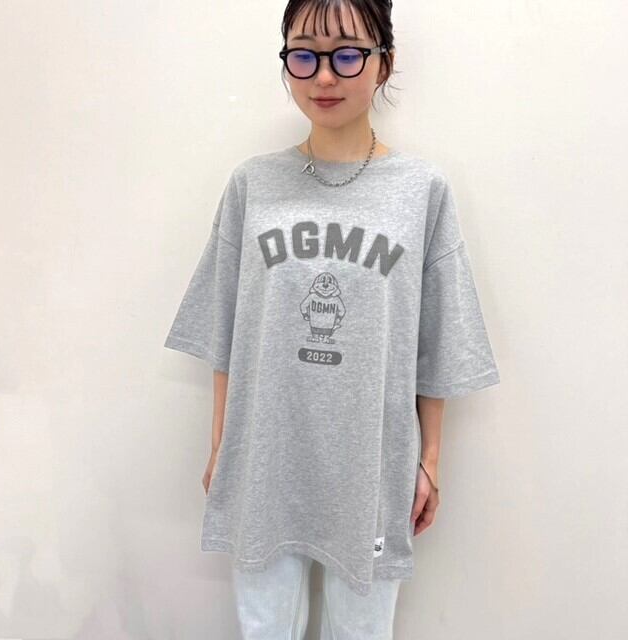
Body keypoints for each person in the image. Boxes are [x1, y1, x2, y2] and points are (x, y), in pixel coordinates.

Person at [164, 0, 501, 637]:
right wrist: (222, 447)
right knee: (265, 631)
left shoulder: (422, 190)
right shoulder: (252, 185)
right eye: (305, 55)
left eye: (347, 54)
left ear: (384, 64)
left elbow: (439, 343)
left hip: (372, 464)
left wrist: (429, 461)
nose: (323, 76)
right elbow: (225, 333)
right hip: (265, 460)